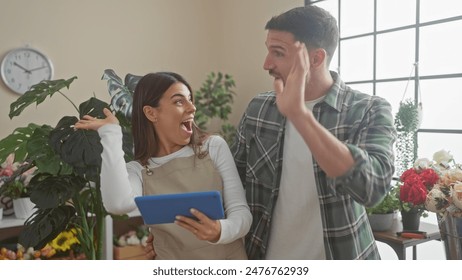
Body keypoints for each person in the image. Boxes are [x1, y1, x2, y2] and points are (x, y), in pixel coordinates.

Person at [229, 6, 396, 260]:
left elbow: (371, 189)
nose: (266, 64)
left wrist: (299, 115)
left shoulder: (368, 110)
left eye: (278, 53)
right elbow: (233, 185)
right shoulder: (258, 108)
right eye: (268, 50)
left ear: (316, 59)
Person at [75, 72, 251, 259]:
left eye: (190, 100)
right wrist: (111, 133)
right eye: (179, 101)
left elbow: (241, 213)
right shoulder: (138, 169)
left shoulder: (213, 147)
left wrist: (220, 231)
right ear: (151, 113)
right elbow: (117, 205)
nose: (192, 108)